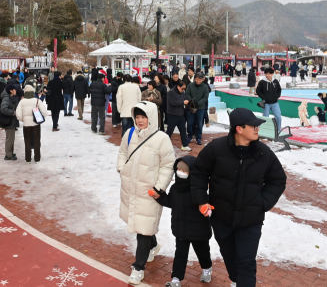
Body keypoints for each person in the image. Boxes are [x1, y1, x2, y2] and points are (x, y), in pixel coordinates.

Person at [191, 108, 286, 287]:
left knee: (246, 262)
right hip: (221, 218)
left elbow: (278, 180)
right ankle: (236, 280)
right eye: (254, 126)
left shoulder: (264, 153)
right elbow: (199, 172)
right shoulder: (216, 148)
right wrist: (201, 200)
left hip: (251, 221)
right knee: (229, 255)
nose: (258, 129)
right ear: (239, 129)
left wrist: (262, 204)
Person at [116, 101, 175, 286]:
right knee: (143, 223)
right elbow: (122, 152)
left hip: (149, 191)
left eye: (144, 117)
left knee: (143, 228)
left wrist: (159, 187)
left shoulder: (162, 138)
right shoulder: (130, 133)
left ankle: (138, 268)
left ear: (152, 118)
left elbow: (168, 165)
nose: (140, 121)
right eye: (138, 117)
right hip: (131, 188)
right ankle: (153, 245)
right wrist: (121, 168)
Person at [155, 156, 213, 287]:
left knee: (203, 252)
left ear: (192, 172)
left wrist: (206, 208)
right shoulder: (175, 188)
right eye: (178, 169)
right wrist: (159, 196)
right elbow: (171, 202)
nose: (181, 172)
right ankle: (176, 279)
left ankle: (207, 268)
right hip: (181, 228)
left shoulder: (198, 189)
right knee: (180, 254)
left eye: (184, 170)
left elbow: (207, 204)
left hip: (198, 229)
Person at [15, 85, 49, 164]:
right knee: (37, 140)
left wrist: (24, 119)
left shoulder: (22, 101)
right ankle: (37, 158)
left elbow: (18, 114)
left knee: (27, 141)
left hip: (26, 125)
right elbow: (45, 113)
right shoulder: (37, 100)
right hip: (36, 124)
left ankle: (28, 159)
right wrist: (39, 118)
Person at [186, 72, 210, 146]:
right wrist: (191, 101)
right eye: (197, 79)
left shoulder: (205, 87)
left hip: (200, 108)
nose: (198, 81)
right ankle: (190, 136)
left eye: (200, 80)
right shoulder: (190, 85)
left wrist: (198, 103)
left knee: (199, 124)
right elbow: (187, 93)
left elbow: (205, 97)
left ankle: (198, 137)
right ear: (195, 79)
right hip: (191, 107)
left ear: (203, 79)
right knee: (190, 123)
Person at [166, 78, 191, 151]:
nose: (183, 90)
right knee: (169, 131)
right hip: (172, 115)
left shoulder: (182, 93)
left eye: (184, 89)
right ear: (178, 86)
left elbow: (183, 100)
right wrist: (183, 102)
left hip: (181, 114)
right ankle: (164, 145)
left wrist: (188, 103)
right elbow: (172, 102)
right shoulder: (171, 92)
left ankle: (185, 145)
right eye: (182, 88)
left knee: (183, 131)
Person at [256, 67, 282, 132]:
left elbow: (279, 89)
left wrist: (277, 96)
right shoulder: (262, 82)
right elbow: (258, 91)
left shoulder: (275, 81)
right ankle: (265, 131)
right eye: (266, 73)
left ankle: (278, 130)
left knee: (278, 117)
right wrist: (263, 97)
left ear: (272, 74)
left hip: (275, 103)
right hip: (266, 103)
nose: (267, 75)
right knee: (265, 117)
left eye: (269, 74)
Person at [0, 84, 20, 160]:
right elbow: (3, 109)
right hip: (8, 121)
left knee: (11, 138)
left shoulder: (11, 97)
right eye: (14, 90)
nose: (16, 91)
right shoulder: (6, 98)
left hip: (11, 121)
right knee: (9, 139)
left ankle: (10, 153)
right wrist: (13, 113)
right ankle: (8, 155)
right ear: (11, 91)